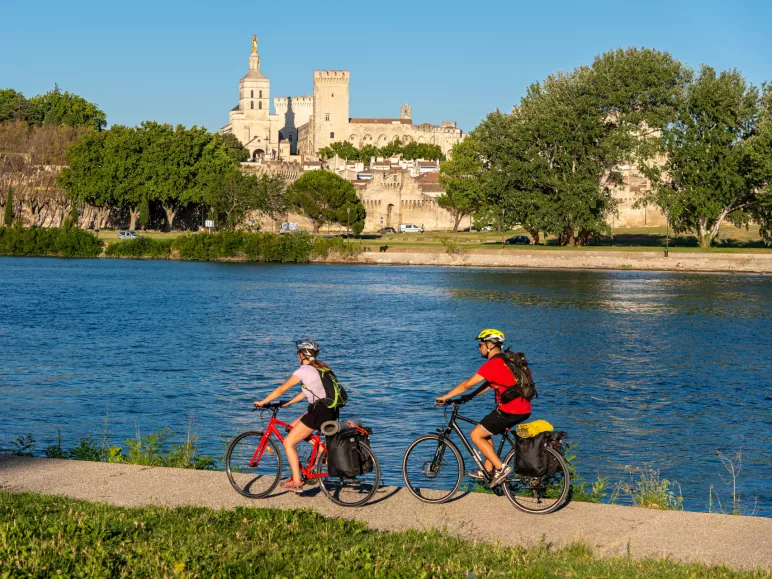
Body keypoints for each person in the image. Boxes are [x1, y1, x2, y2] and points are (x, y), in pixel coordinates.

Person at [435, 329, 531, 488]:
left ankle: (500, 469)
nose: (479, 347)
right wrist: (469, 397)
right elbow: (488, 384)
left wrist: (445, 397)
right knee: (485, 434)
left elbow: (467, 383)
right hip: (523, 408)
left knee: (475, 435)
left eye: (481, 344)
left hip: (510, 409)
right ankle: (487, 470)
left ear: (489, 346)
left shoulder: (493, 364)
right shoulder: (505, 362)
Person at [254, 338, 339, 493]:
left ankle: (297, 481)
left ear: (302, 354)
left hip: (318, 412)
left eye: (298, 353)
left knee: (288, 443)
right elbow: (307, 391)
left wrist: (263, 402)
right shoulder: (321, 368)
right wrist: (289, 403)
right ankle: (321, 449)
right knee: (291, 427)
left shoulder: (304, 370)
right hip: (330, 410)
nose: (297, 355)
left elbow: (282, 388)